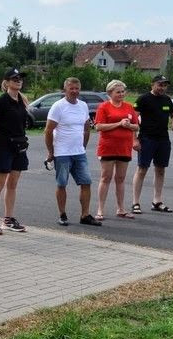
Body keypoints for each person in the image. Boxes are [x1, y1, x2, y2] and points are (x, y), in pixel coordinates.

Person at [45, 77, 100, 227]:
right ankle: (62, 214)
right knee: (62, 183)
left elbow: (86, 128)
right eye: (71, 89)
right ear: (65, 90)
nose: (75, 91)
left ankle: (85, 215)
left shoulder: (82, 105)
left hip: (79, 152)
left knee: (86, 182)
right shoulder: (58, 106)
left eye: (77, 89)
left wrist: (83, 145)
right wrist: (51, 152)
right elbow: (48, 131)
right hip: (62, 153)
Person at [0, 68, 30, 234]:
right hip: (3, 146)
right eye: (15, 78)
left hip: (19, 146)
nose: (18, 80)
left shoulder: (22, 101)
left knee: (13, 184)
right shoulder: (0, 102)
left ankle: (9, 219)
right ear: (7, 82)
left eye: (20, 78)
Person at [132, 74, 173, 214]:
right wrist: (134, 139)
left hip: (163, 139)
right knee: (142, 169)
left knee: (160, 169)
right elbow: (133, 118)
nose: (162, 88)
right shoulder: (144, 99)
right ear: (152, 84)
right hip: (147, 138)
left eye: (165, 85)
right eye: (160, 84)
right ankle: (135, 202)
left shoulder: (167, 100)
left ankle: (157, 201)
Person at [93, 80, 139, 220]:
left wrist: (129, 126)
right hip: (108, 147)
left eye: (122, 91)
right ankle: (100, 209)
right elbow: (98, 126)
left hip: (123, 147)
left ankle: (121, 208)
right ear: (110, 93)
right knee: (106, 177)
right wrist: (119, 123)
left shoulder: (129, 107)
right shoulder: (104, 107)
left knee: (120, 178)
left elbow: (136, 126)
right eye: (118, 92)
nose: (121, 94)